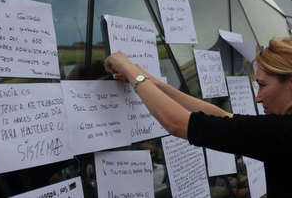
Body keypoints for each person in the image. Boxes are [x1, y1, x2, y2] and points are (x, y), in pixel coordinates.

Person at [104, 35, 292, 197]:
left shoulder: (281, 131)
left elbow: (177, 122)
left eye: (263, 85)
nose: (258, 98)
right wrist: (153, 82)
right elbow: (224, 116)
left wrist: (131, 71)